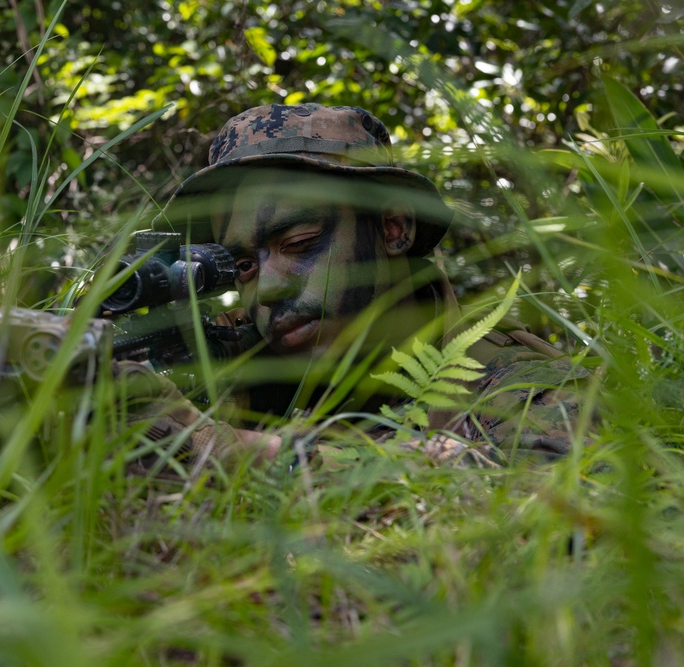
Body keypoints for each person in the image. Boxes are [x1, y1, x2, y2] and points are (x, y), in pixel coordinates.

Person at [123, 103, 593, 470]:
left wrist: (246, 453)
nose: (266, 289)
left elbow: (548, 488)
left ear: (393, 228)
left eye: (299, 243)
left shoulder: (518, 382)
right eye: (243, 265)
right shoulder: (225, 365)